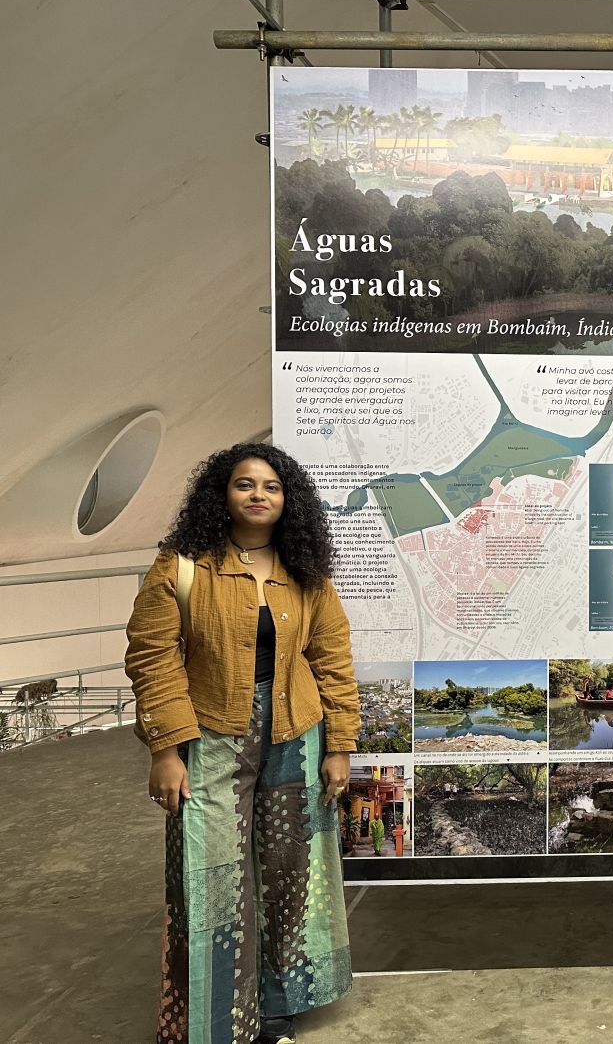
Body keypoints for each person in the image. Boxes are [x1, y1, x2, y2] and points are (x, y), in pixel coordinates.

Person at [126, 443, 357, 1044]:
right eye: (244, 484)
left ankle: (279, 1004)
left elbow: (331, 659)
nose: (259, 494)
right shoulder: (180, 566)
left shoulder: (305, 573)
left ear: (289, 501)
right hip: (208, 735)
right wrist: (165, 749)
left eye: (272, 486)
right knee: (209, 875)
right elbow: (152, 657)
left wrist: (339, 745)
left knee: (289, 870)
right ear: (221, 495)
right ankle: (216, 1017)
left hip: (295, 734)